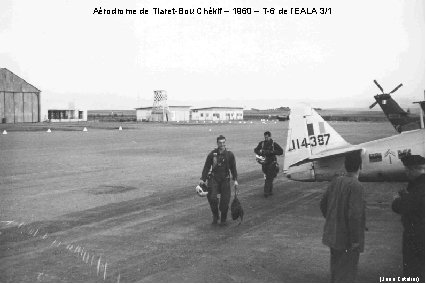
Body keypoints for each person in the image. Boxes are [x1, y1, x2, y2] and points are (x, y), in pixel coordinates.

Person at [320, 151, 366, 282]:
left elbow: (323, 204)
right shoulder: (357, 186)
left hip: (333, 236)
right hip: (347, 240)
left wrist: (333, 220)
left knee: (336, 271)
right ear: (360, 166)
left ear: (345, 166)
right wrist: (355, 240)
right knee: (347, 274)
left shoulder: (336, 181)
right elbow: (354, 216)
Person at [392, 155, 425, 282]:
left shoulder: (419, 187)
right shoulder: (419, 185)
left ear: (414, 170)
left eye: (408, 170)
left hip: (416, 236)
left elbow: (400, 206)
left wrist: (396, 200)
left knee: (413, 270)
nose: (406, 173)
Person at [200, 135, 238, 226]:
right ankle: (216, 216)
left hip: (225, 180)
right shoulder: (212, 154)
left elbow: (233, 168)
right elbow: (206, 167)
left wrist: (235, 179)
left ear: (225, 143)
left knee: (224, 202)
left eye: (223, 142)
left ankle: (223, 219)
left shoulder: (229, 155)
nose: (222, 144)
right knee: (212, 199)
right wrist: (203, 179)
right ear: (217, 143)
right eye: (220, 143)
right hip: (214, 179)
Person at [254, 131, 283, 197]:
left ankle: (266, 192)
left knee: (269, 178)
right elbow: (255, 150)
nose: (266, 138)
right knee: (269, 177)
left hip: (272, 163)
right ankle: (270, 191)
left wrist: (272, 152)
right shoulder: (262, 143)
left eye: (267, 137)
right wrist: (260, 153)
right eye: (265, 137)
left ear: (270, 136)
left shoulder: (274, 144)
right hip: (264, 163)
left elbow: (281, 151)